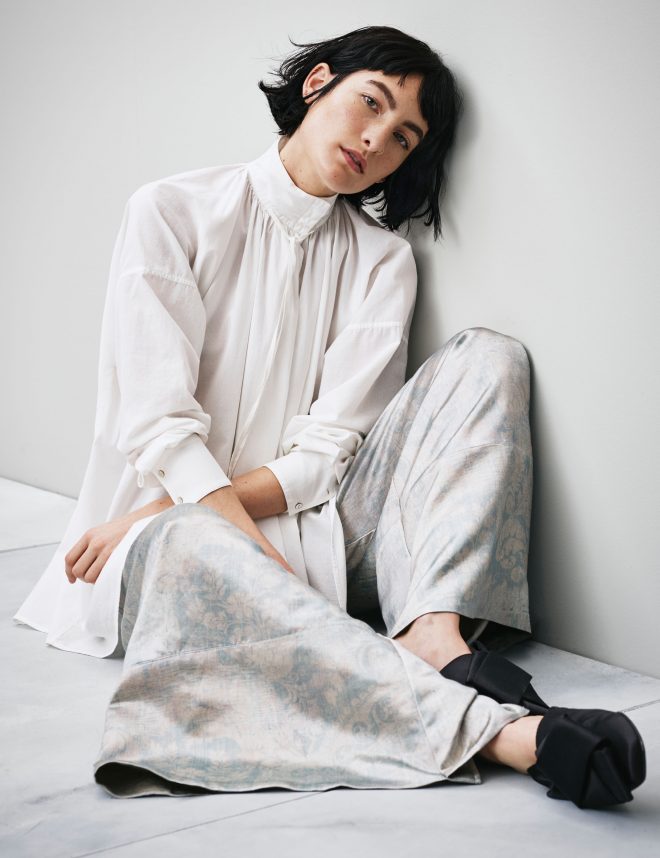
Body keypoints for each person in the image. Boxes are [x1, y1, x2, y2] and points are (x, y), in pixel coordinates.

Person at [14, 26, 645, 808]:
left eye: (404, 137)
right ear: (316, 84)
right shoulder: (171, 211)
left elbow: (326, 458)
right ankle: (506, 736)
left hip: (307, 533)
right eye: (370, 103)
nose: (377, 139)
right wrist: (188, 530)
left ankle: (431, 633)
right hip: (170, 551)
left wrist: (176, 517)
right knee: (187, 540)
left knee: (490, 354)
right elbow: (163, 430)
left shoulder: (384, 260)